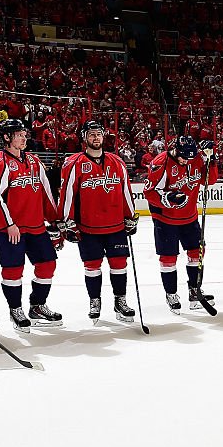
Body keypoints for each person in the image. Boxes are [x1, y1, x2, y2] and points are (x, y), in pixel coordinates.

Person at [0, 118, 63, 332]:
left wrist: (54, 221)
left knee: (47, 265)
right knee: (13, 270)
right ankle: (15, 309)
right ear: (6, 137)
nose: (24, 137)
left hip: (36, 226)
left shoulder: (34, 161)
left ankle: (37, 305)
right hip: (10, 229)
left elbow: (46, 193)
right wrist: (8, 224)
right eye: (19, 134)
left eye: (25, 134)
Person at [59, 121, 138, 324]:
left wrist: (131, 216)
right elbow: (67, 195)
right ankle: (95, 301)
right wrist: (68, 222)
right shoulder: (74, 163)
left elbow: (126, 192)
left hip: (115, 226)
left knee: (119, 264)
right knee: (92, 266)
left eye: (99, 134)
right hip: (88, 228)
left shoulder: (117, 161)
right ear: (84, 138)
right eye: (92, 134)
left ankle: (120, 301)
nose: (96, 138)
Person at [143, 135, 218, 313]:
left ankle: (194, 291)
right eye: (183, 157)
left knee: (197, 252)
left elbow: (210, 180)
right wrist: (168, 197)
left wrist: (212, 160)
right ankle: (171, 294)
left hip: (189, 217)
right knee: (169, 258)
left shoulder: (196, 158)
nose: (186, 161)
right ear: (175, 149)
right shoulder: (161, 162)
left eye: (190, 158)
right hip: (165, 218)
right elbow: (149, 192)